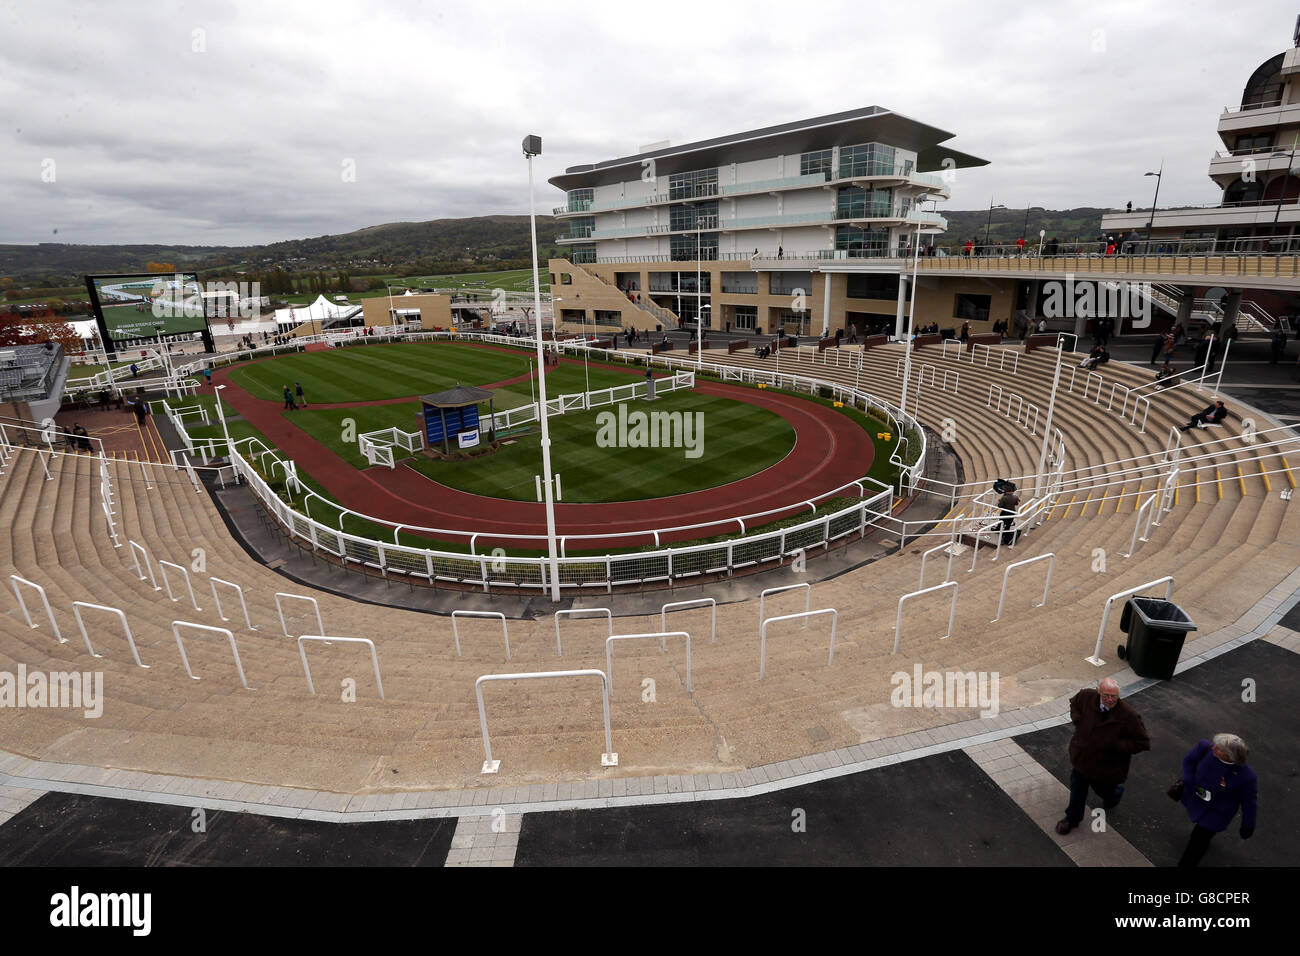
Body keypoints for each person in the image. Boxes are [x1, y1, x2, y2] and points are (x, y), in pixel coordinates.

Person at [1055, 678, 1150, 835]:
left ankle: (1115, 795)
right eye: (1106, 695)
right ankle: (1072, 819)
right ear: (1099, 692)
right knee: (1077, 791)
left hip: (1106, 768)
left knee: (1105, 791)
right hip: (1082, 759)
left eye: (1114, 696)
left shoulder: (1129, 716)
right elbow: (1074, 703)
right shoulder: (1086, 696)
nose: (1110, 700)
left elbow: (1142, 743)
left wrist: (1114, 745)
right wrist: (1077, 719)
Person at [1176, 734, 1257, 867]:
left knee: (1198, 842)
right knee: (1200, 837)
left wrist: (1248, 826)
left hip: (1217, 812)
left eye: (1220, 749)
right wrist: (1189, 779)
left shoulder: (1247, 777)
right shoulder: (1205, 747)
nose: (1214, 748)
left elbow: (1249, 804)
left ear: (1230, 756)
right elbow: (1189, 761)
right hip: (1196, 798)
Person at [996, 481, 1020, 546]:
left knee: (1001, 522)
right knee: (1008, 526)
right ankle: (1004, 538)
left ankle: (999, 532)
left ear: (1006, 491)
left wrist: (999, 501)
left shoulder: (1004, 498)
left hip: (1005, 512)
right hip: (1012, 513)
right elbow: (1016, 504)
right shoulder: (1015, 497)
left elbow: (999, 506)